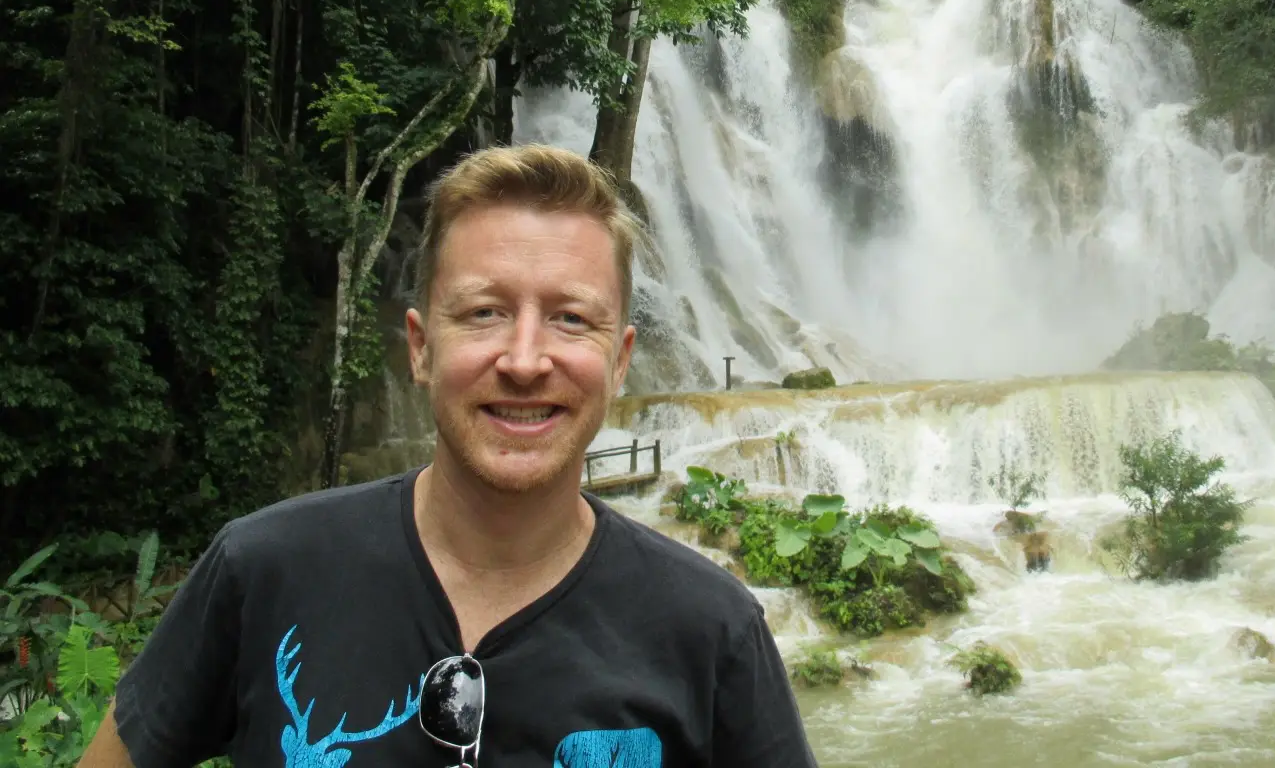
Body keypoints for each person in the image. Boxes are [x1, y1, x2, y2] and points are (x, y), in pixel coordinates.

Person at [82, 144, 817, 768]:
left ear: (619, 360)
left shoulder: (711, 631)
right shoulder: (262, 571)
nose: (526, 360)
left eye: (570, 319)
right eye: (484, 312)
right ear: (420, 346)